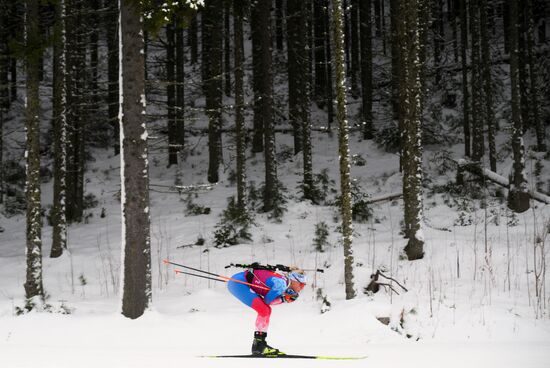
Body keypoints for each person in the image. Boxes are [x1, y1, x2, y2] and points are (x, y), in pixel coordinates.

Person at [227, 266, 307, 356]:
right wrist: (283, 299)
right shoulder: (281, 284)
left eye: (304, 285)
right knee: (264, 310)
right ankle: (259, 345)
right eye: (301, 284)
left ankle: (259, 344)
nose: (302, 288)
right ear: (294, 280)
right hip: (238, 283)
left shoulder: (284, 282)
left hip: (240, 281)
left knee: (266, 310)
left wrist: (283, 298)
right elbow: (267, 301)